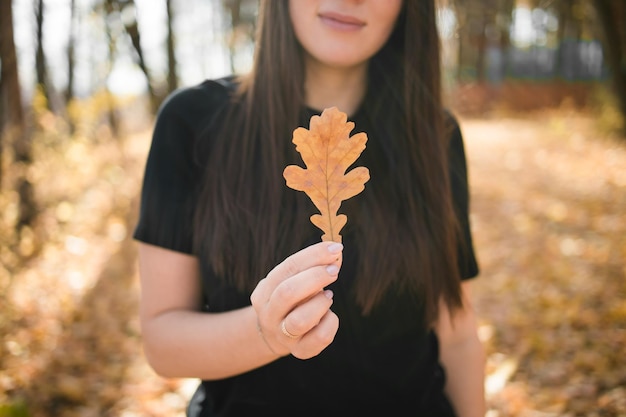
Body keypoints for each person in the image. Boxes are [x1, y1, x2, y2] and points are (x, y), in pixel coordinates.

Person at [133, 0, 486, 416]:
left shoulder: (434, 135)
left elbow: (457, 336)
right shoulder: (191, 123)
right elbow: (162, 342)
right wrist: (265, 334)